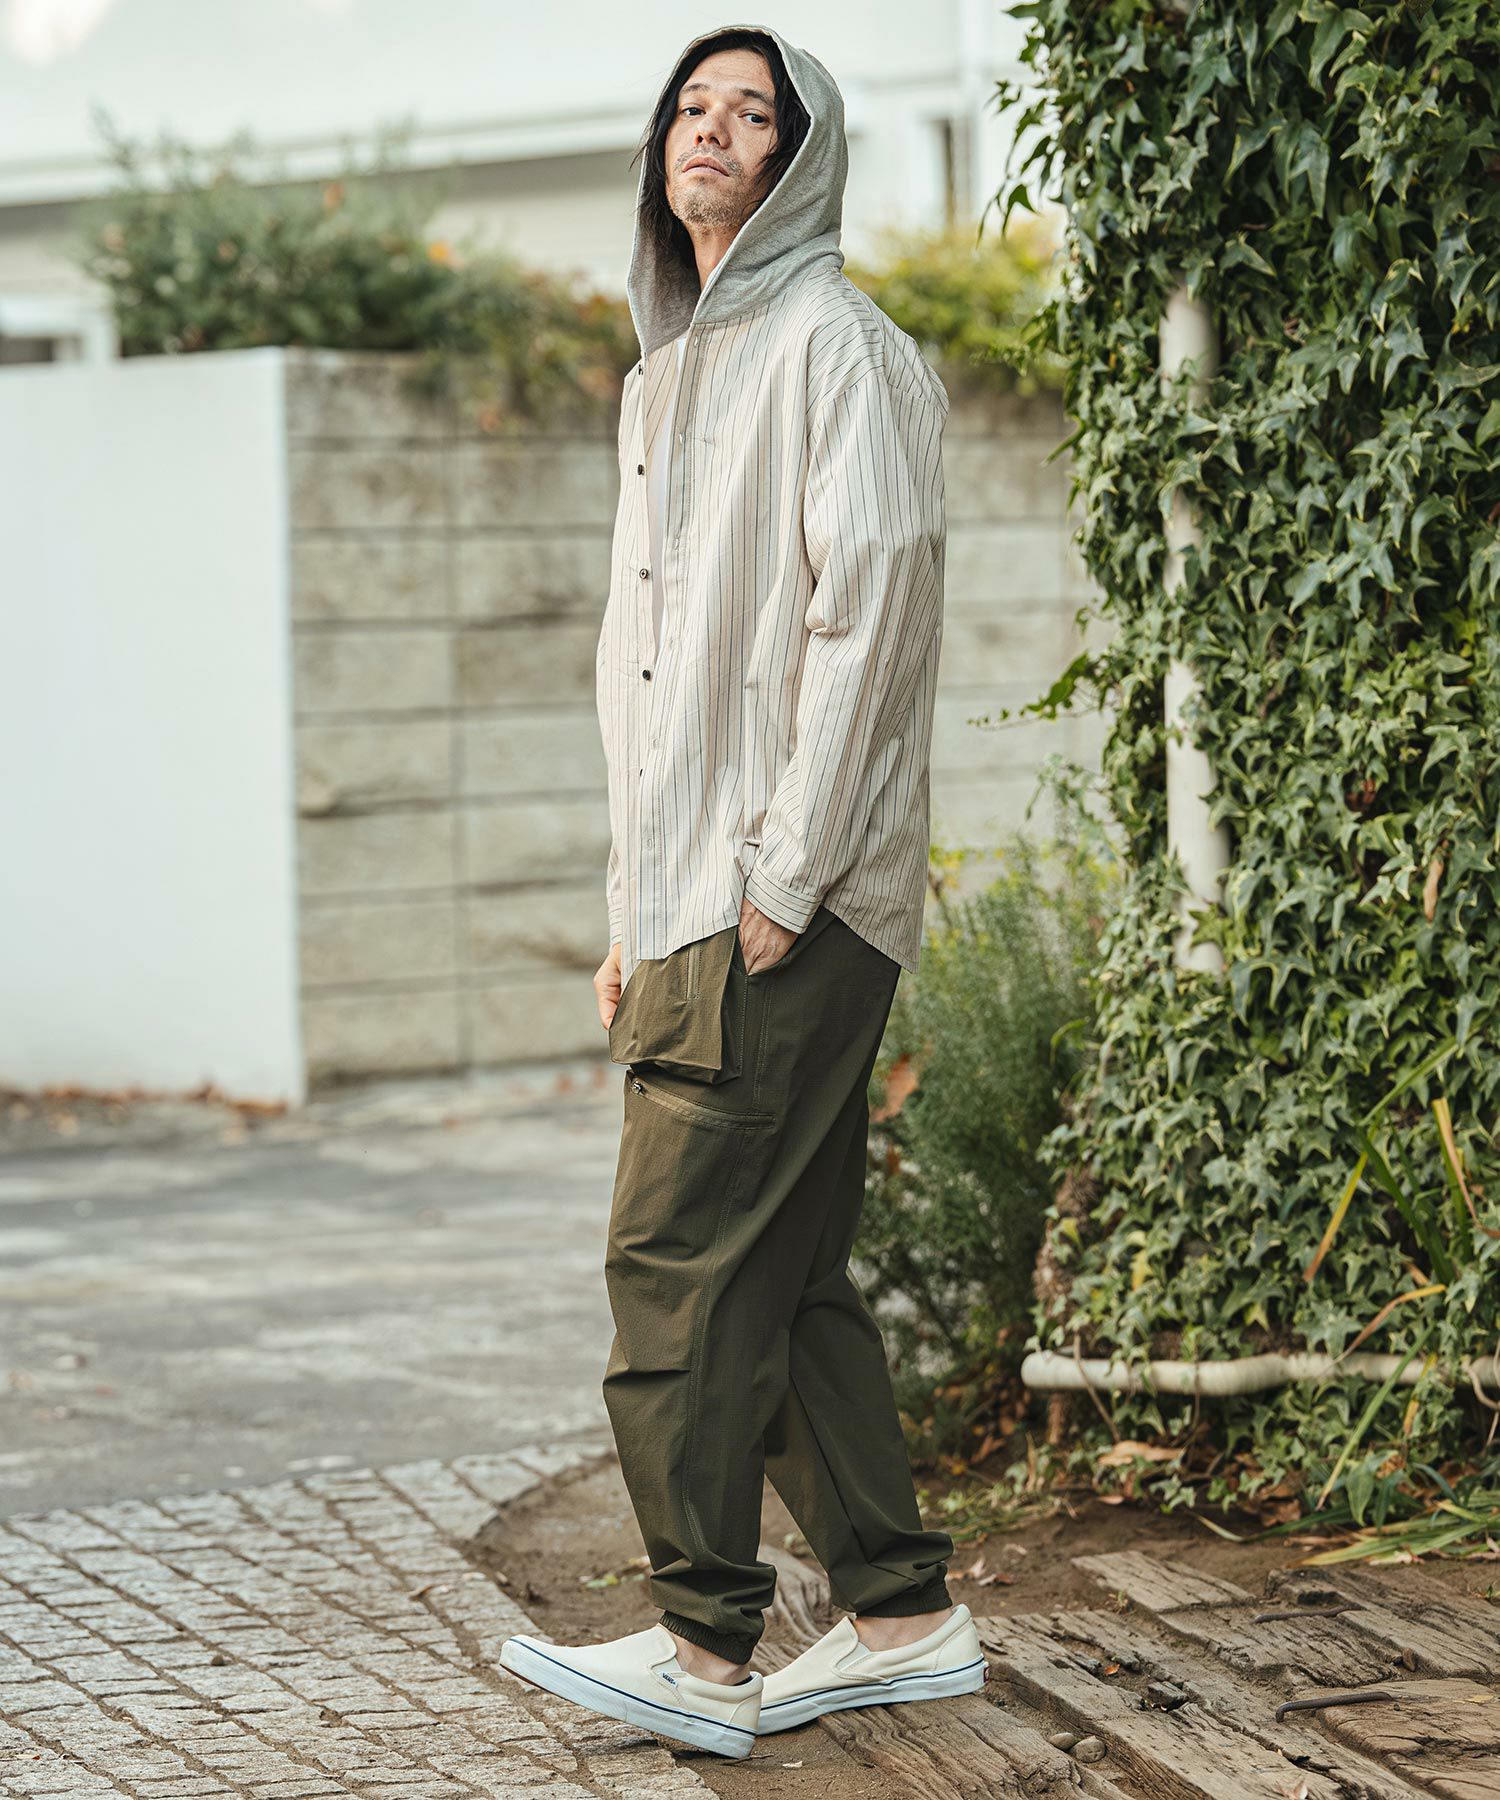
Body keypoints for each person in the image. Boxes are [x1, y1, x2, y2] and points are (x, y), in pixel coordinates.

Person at [499, 22, 985, 1759]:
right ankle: (901, 1614)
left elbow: (874, 614)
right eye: (691, 108)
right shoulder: (668, 378)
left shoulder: (835, 347)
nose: (711, 131)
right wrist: (635, 915)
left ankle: (706, 1652)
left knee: (676, 1264)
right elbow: (653, 681)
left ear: (800, 158)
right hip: (699, 896)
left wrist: (779, 875)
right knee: (781, 1272)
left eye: (752, 112)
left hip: (777, 894)